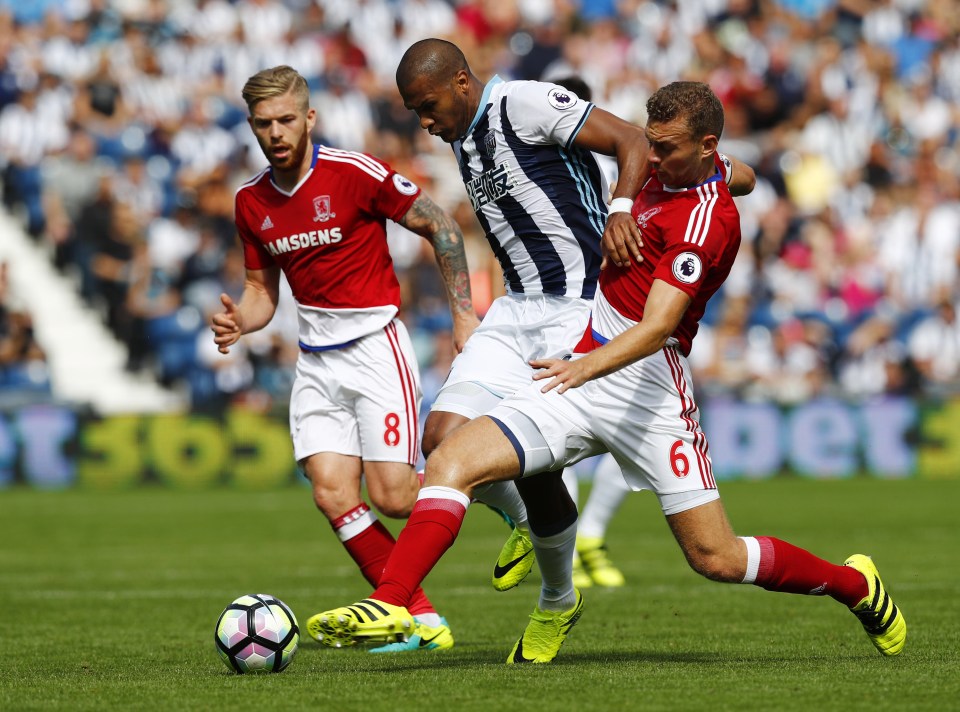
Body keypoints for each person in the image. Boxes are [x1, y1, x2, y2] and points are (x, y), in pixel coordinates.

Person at [310, 80, 906, 664]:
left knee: (716, 558)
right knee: (449, 459)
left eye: (667, 148)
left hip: (648, 393)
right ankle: (395, 601)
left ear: (703, 145)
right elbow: (733, 172)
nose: (652, 156)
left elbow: (657, 328)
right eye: (652, 142)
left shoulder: (707, 223)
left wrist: (583, 366)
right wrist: (723, 172)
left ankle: (855, 586)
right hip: (581, 369)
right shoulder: (672, 166)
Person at [210, 65, 482, 654]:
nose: (276, 132)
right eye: (264, 124)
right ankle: (419, 619)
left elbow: (440, 226)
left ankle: (497, 485)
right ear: (252, 128)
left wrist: (463, 315)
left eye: (286, 119)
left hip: (375, 349)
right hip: (316, 362)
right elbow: (262, 294)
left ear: (309, 118)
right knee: (332, 493)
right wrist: (240, 322)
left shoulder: (354, 173)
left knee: (395, 497)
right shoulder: (251, 201)